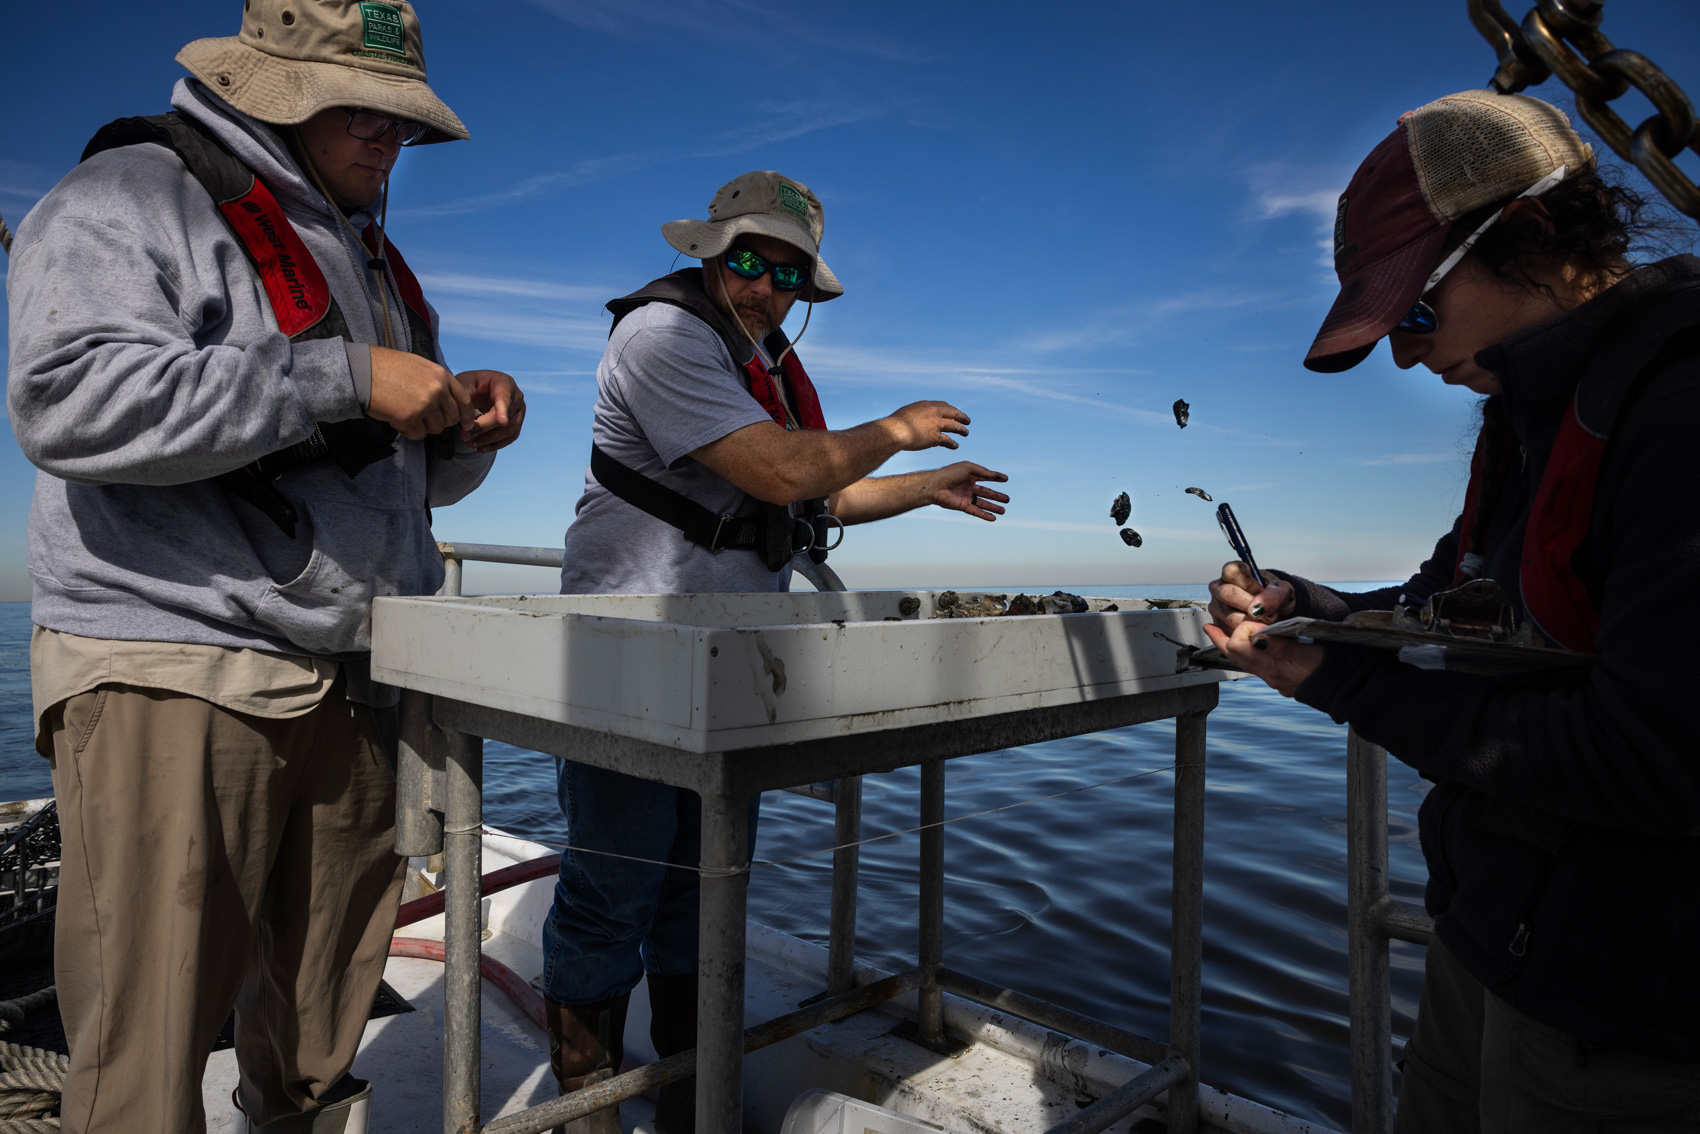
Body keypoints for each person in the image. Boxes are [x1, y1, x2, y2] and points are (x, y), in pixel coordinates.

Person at [5, 2, 526, 1131]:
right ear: (267, 88)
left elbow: (404, 484)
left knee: (319, 1029)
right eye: (364, 110)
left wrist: (459, 435)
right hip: (177, 669)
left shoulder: (370, 257)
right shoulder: (128, 196)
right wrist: (343, 378)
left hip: (353, 678)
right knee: (146, 1054)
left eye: (405, 123)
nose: (389, 138)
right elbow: (66, 404)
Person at [1205, 89, 1700, 1131]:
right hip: (1487, 937)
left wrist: (1337, 680)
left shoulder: (1674, 408)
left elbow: (1658, 756)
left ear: (1527, 235)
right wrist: (1314, 613)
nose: (1399, 353)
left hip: (1621, 1011)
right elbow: (1450, 604)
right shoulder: (1526, 418)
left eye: (1413, 314)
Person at [546, 170, 1011, 1131]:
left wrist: (923, 484)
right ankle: (583, 1116)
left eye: (790, 274)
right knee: (612, 894)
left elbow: (822, 496)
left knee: (697, 900)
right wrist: (893, 429)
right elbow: (781, 467)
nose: (767, 287)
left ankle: (682, 1110)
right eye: (752, 262)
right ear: (714, 251)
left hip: (726, 670)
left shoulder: (760, 366)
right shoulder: (664, 335)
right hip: (626, 657)